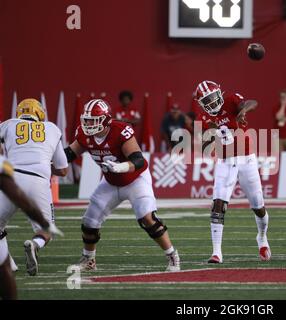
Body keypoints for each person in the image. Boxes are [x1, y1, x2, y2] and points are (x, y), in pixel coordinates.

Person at [64, 99, 180, 272]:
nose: (88, 124)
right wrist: (47, 159)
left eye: (93, 120)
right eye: (86, 120)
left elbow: (139, 161)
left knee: (147, 218)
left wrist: (122, 166)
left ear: (105, 120)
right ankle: (89, 260)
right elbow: (69, 154)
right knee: (89, 222)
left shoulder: (120, 130)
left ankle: (172, 255)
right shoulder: (84, 134)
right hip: (110, 182)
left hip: (135, 179)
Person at [195, 80, 271, 264]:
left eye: (213, 98)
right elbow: (203, 147)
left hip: (247, 159)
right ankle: (216, 253)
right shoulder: (203, 119)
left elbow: (252, 102)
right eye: (207, 101)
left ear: (220, 94)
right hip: (225, 161)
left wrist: (243, 112)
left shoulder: (231, 100)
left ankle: (262, 237)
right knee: (218, 205)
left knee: (258, 207)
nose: (212, 103)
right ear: (202, 104)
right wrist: (211, 135)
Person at [0, 98, 68, 276]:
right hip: (38, 180)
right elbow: (63, 170)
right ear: (40, 114)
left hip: (12, 179)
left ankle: (9, 264)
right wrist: (45, 163)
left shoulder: (8, 124)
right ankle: (35, 244)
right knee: (45, 230)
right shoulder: (52, 128)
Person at [0, 155, 63, 299]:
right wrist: (44, 223)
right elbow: (18, 197)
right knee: (4, 272)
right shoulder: (3, 164)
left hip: (21, 174)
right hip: (38, 179)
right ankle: (35, 244)